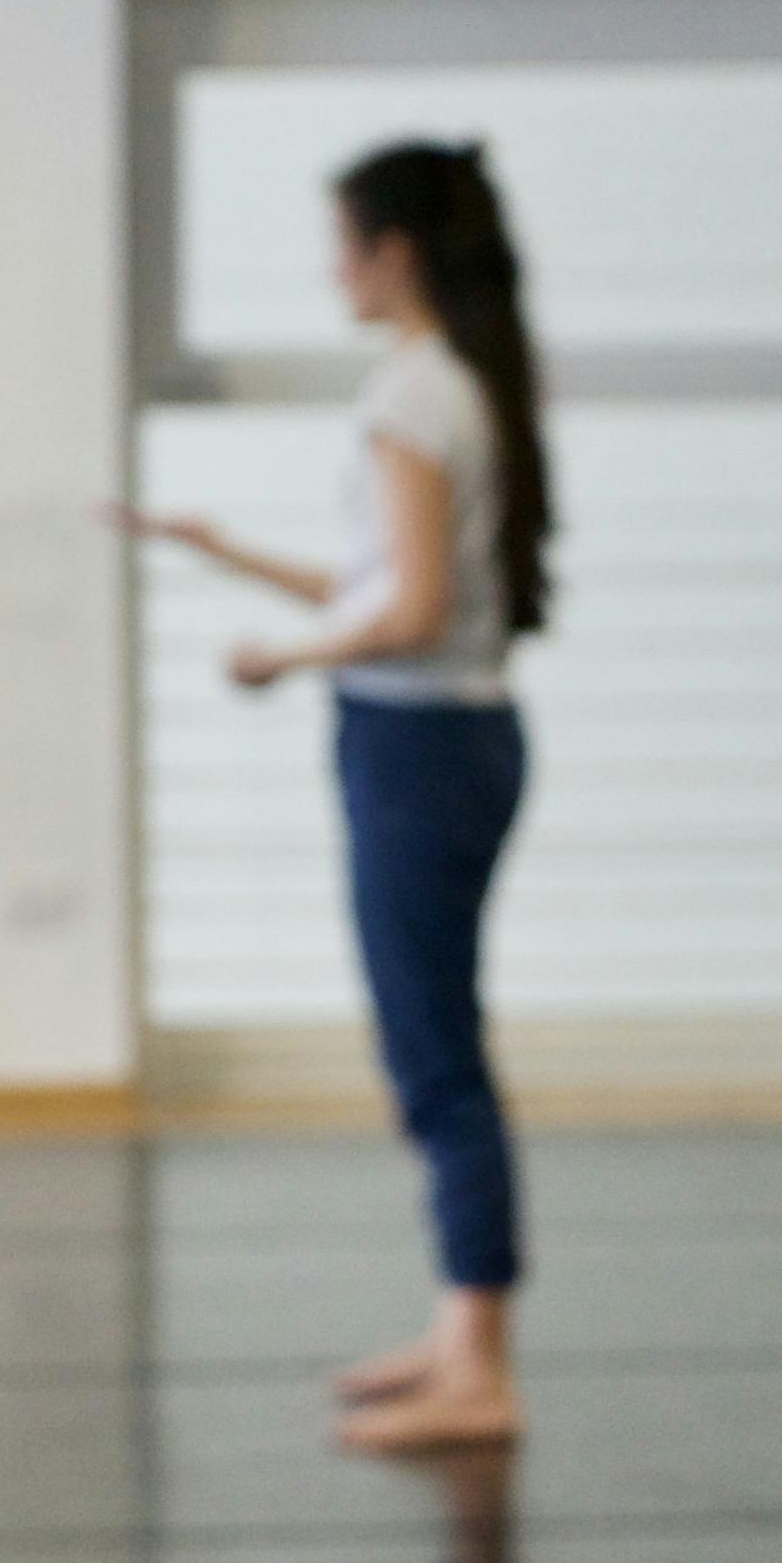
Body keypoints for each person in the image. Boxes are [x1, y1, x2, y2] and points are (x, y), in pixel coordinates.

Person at [115, 140, 556, 1454]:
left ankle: (479, 1361)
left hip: (417, 754)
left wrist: (276, 657)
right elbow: (390, 591)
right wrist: (227, 554)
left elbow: (403, 611)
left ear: (393, 250)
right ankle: (458, 1331)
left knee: (435, 1055)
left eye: (339, 241)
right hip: (448, 742)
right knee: (436, 1044)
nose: (328, 268)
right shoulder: (458, 384)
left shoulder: (408, 400)